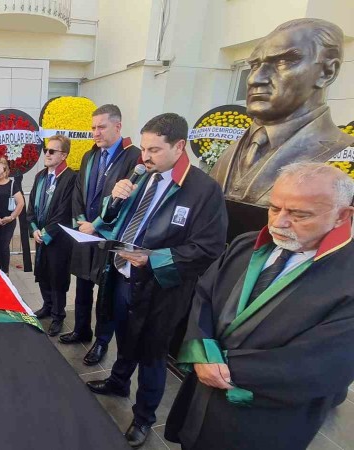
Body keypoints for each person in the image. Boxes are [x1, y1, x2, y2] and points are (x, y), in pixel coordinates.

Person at [165, 162, 354, 450]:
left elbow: (322, 364)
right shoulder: (246, 244)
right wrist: (201, 352)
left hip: (264, 419)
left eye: (299, 214)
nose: (279, 223)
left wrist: (223, 369)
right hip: (201, 397)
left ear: (342, 216)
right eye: (274, 208)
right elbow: (205, 296)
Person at [85, 113, 228, 447]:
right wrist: (114, 199)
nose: (145, 157)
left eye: (154, 150)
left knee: (152, 353)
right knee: (124, 335)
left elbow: (209, 247)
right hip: (123, 274)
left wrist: (155, 259)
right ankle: (119, 381)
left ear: (179, 146)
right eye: (144, 148)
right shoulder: (143, 176)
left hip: (162, 287)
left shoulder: (203, 190)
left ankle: (144, 417)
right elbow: (113, 220)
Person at [211, 18, 354, 207]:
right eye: (254, 66)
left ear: (327, 72)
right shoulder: (233, 150)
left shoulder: (342, 153)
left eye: (283, 62)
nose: (255, 79)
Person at [60, 104, 142, 366]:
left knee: (106, 293)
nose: (95, 132)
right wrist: (81, 221)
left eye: (101, 127)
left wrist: (96, 225)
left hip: (108, 235)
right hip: (86, 232)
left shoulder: (133, 157)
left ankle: (101, 342)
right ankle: (81, 328)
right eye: (93, 127)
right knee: (83, 285)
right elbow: (78, 192)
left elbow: (127, 201)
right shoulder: (89, 156)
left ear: (118, 126)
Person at [27, 135, 76, 336]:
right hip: (40, 236)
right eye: (46, 150)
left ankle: (58, 315)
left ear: (63, 155)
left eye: (52, 151)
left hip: (58, 239)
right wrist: (34, 229)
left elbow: (64, 212)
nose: (47, 154)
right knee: (43, 273)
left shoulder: (70, 178)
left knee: (57, 276)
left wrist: (46, 233)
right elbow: (31, 206)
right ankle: (47, 306)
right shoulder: (40, 176)